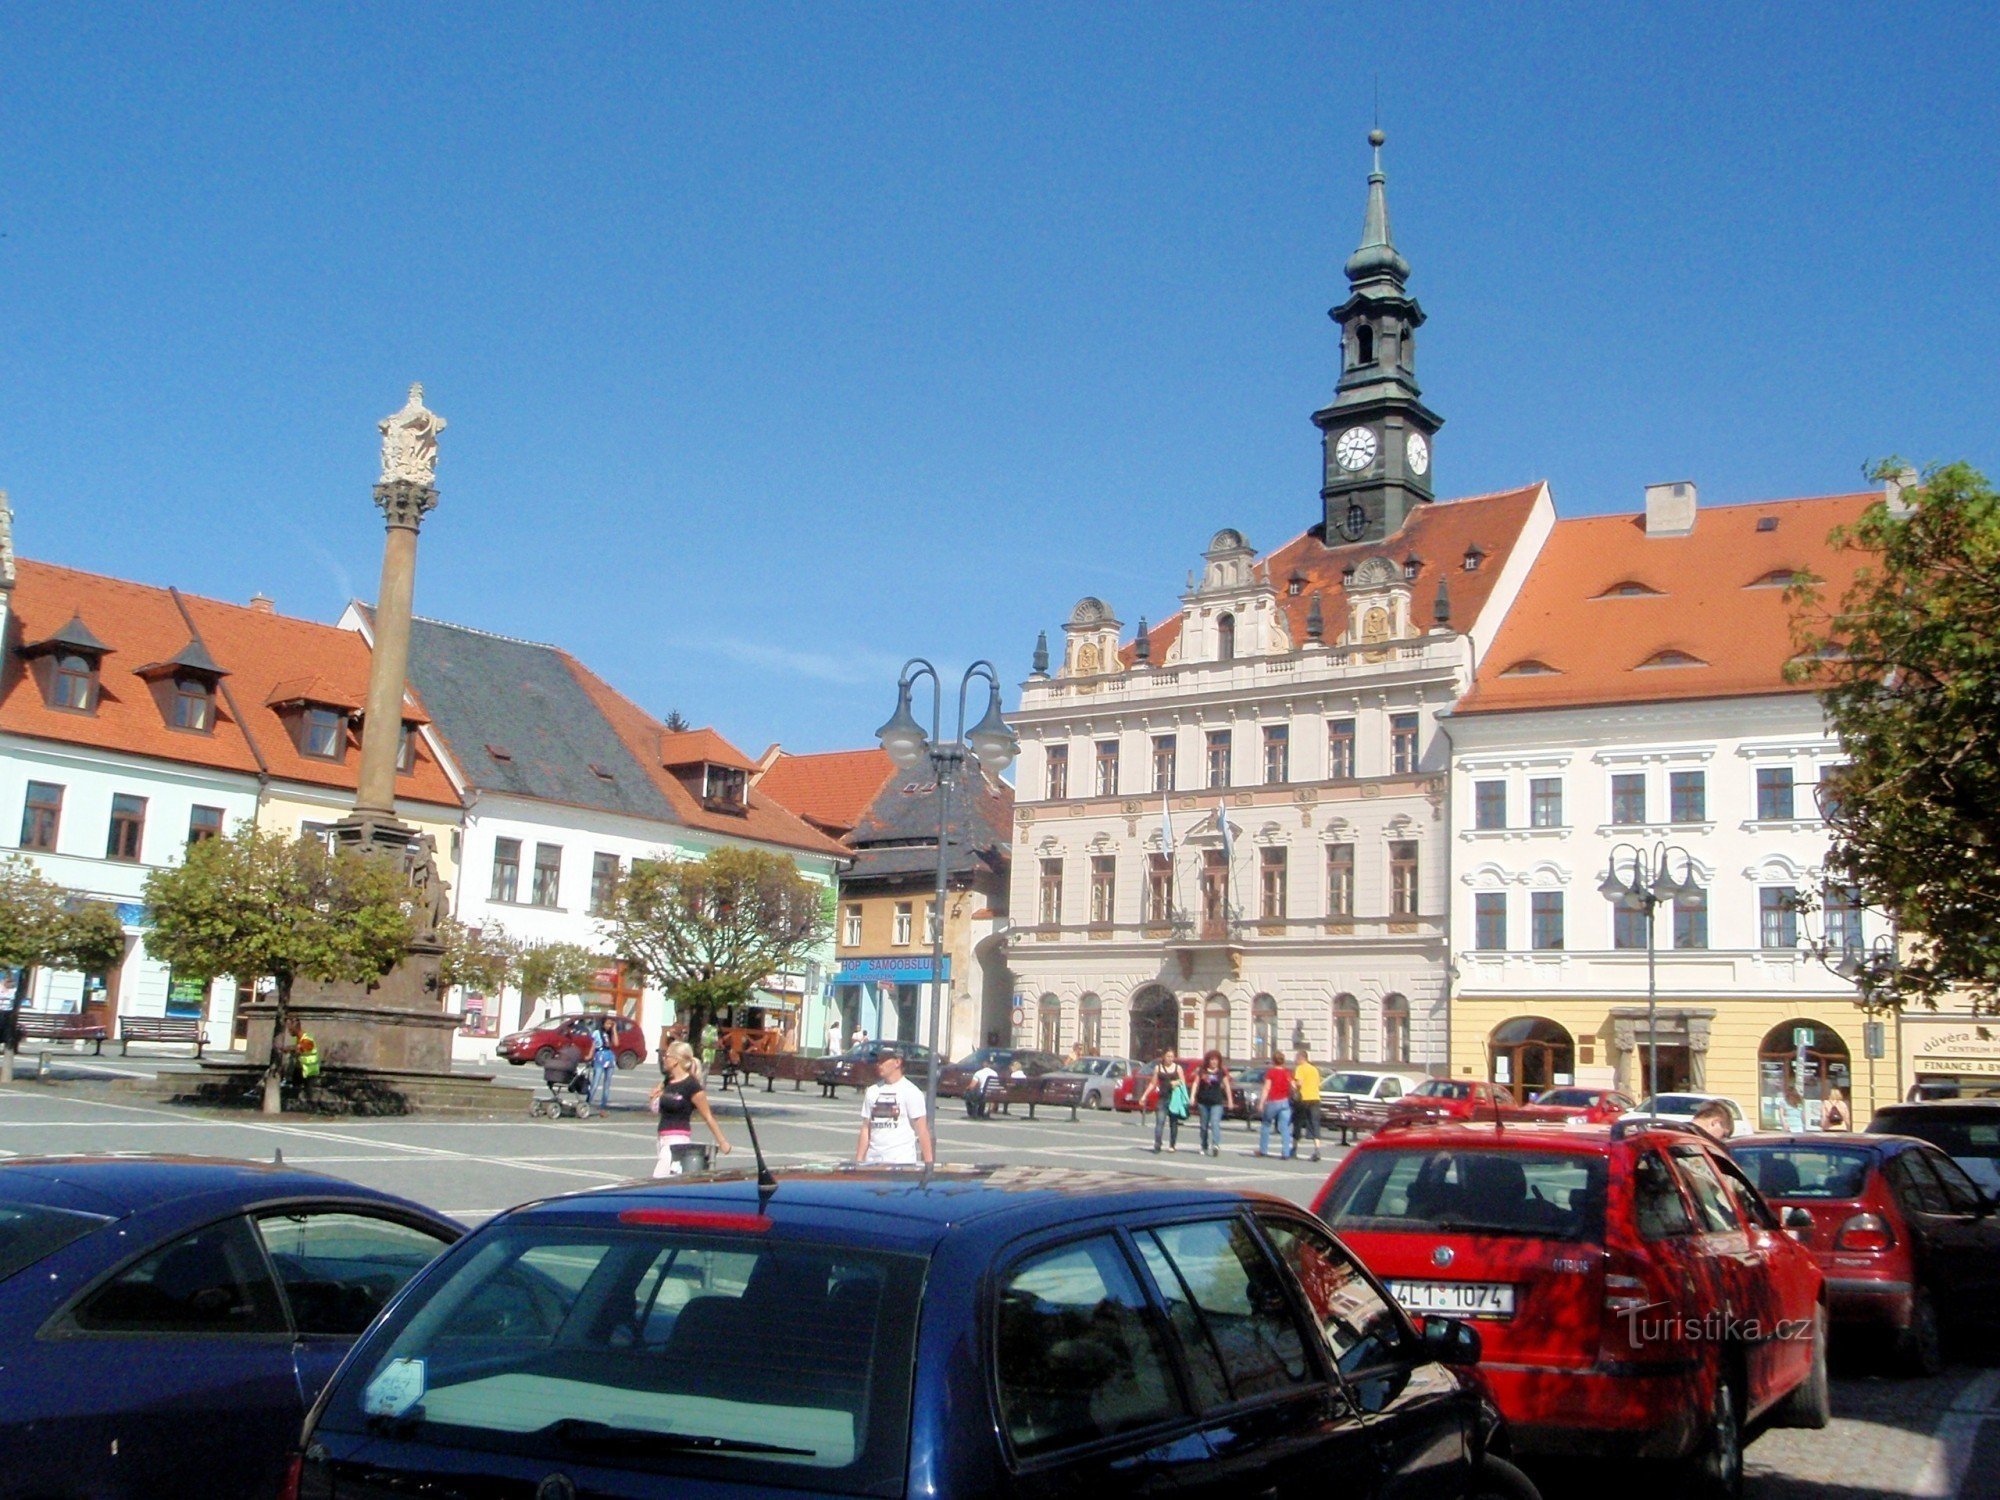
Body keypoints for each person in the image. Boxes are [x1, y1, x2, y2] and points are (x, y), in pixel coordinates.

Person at [649, 1041, 733, 1177]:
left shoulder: (691, 1085)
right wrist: (653, 1097)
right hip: (662, 1139)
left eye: (667, 1056)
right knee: (667, 1183)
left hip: (677, 1140)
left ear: (676, 1060)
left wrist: (722, 1141)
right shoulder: (667, 1082)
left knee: (658, 1180)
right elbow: (656, 1109)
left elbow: (708, 1116)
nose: (664, 1059)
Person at [855, 1052, 933, 1165]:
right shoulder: (872, 1091)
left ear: (897, 1062)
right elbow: (866, 1128)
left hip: (901, 1162)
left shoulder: (911, 1091)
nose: (879, 1065)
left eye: (883, 1061)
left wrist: (928, 1164)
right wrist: (859, 1161)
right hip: (872, 1162)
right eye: (878, 1061)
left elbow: (922, 1131)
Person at [1193, 1050, 1234, 1156]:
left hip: (1217, 1102)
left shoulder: (1221, 1072)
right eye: (1212, 1059)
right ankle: (1204, 1145)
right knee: (1203, 1126)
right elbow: (1195, 1083)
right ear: (1208, 1061)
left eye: (1216, 1060)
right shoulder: (1202, 1071)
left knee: (1215, 1123)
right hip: (1203, 1102)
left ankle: (1215, 1144)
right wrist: (1192, 1096)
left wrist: (1230, 1100)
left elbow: (1227, 1087)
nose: (1214, 1062)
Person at [1146, 1050, 1187, 1153]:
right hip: (1162, 1099)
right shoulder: (1158, 1068)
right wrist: (1144, 1096)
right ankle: (1157, 1144)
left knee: (1173, 1123)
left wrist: (1176, 1082)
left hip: (1174, 1099)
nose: (1170, 1058)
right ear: (1164, 1057)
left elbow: (1183, 1082)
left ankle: (1172, 1145)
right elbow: (1153, 1083)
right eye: (1168, 1056)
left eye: (1172, 1056)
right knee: (1159, 1122)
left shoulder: (1178, 1068)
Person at [1258, 1053, 1295, 1159]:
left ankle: (1263, 1150)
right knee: (1285, 1128)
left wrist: (1261, 1103)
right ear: (1283, 1061)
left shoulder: (1271, 1073)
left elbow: (1266, 1088)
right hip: (1285, 1102)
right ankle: (1286, 1152)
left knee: (1266, 1124)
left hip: (1273, 1101)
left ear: (1273, 1061)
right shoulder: (1287, 1073)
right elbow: (1293, 1087)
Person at [1291, 1046, 1323, 1163]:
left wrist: (1293, 1084)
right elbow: (1318, 1084)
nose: (1295, 1060)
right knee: (1315, 1123)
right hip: (1315, 1098)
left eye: (1296, 1058)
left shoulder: (1300, 1068)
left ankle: (1294, 1148)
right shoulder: (1314, 1069)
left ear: (1301, 1058)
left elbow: (1299, 1084)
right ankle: (1317, 1149)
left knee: (1298, 1122)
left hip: (1303, 1098)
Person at [587, 1018, 617, 1109]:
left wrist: (614, 1029)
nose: (609, 1026)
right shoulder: (597, 1032)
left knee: (607, 1083)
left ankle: (603, 1106)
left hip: (610, 1057)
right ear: (603, 1023)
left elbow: (616, 1043)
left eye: (610, 1024)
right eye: (607, 1023)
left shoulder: (610, 1034)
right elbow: (593, 1045)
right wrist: (589, 1056)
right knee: (596, 1081)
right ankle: (588, 1103)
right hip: (600, 1056)